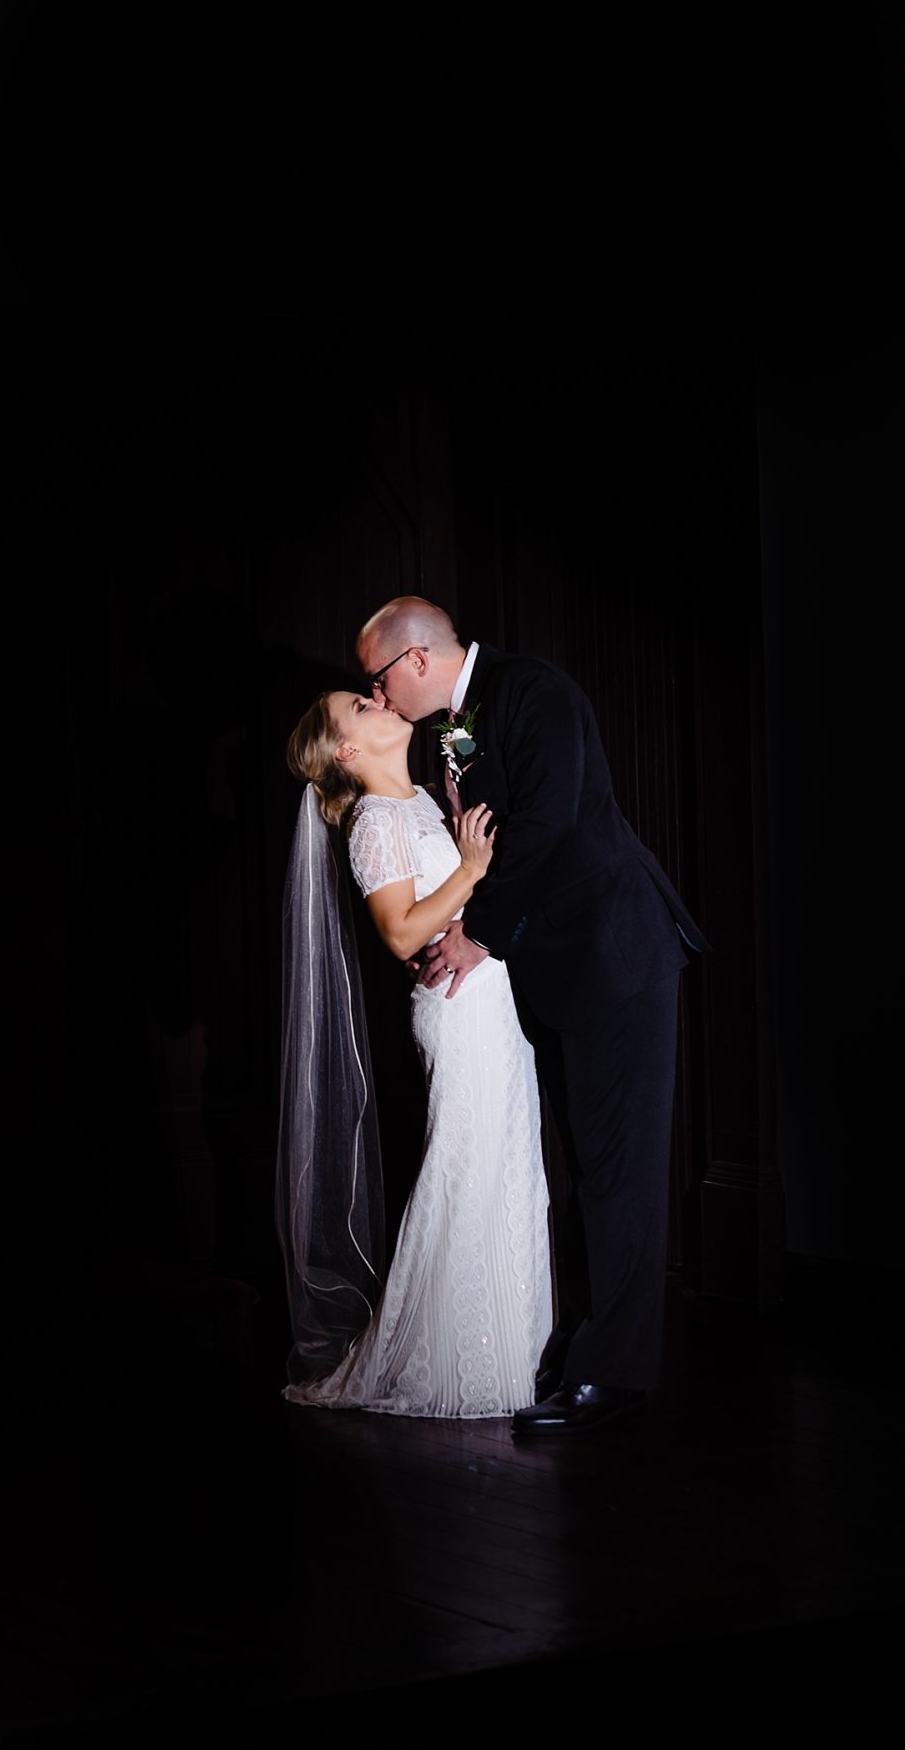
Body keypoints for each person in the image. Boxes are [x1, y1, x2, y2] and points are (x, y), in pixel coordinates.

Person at [354, 596, 708, 1434]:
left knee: (619, 1171)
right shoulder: (460, 718)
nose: (374, 696)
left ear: (411, 662)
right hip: (560, 969)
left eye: (374, 678)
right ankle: (573, 1351)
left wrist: (475, 934)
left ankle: (612, 1377)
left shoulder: (533, 692)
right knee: (588, 1168)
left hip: (613, 955)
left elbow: (546, 829)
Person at [277, 684, 553, 1417]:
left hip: (492, 1000)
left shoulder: (425, 802)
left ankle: (511, 1356)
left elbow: (462, 721)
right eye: (360, 709)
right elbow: (400, 934)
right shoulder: (371, 821)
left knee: (507, 1165)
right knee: (465, 1166)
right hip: (457, 1011)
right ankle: (457, 1365)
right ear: (346, 752)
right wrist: (466, 870)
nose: (380, 704)